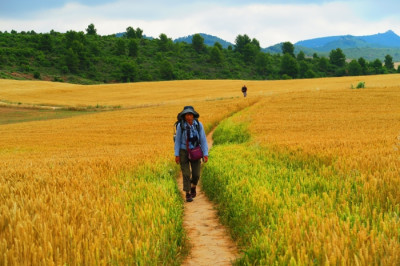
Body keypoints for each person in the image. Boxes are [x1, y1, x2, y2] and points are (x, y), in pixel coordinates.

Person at [174, 106, 208, 202]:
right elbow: (177, 141)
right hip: (183, 151)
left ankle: (193, 186)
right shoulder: (181, 126)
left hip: (195, 150)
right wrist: (177, 155)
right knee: (186, 173)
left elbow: (203, 139)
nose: (188, 117)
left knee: (196, 174)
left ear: (193, 116)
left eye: (190, 114)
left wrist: (205, 154)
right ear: (184, 116)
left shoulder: (198, 125)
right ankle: (188, 193)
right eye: (186, 115)